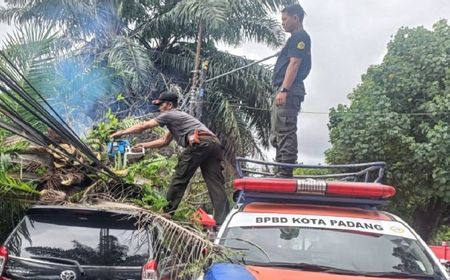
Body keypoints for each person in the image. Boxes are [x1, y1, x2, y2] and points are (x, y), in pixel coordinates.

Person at [110, 91, 230, 225]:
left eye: (161, 105)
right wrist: (144, 145)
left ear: (169, 104)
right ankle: (223, 221)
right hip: (214, 145)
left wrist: (121, 133)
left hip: (200, 143)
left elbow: (143, 126)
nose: (159, 108)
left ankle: (167, 211)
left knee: (180, 176)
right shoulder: (178, 119)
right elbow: (164, 141)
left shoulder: (170, 114)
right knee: (215, 184)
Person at [270, 4, 311, 177]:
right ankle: (280, 168)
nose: (283, 23)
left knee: (285, 129)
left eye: (285, 19)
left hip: (289, 89)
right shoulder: (294, 38)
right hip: (283, 88)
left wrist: (285, 89)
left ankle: (285, 170)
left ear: (296, 18)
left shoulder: (300, 36)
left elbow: (294, 64)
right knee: (278, 131)